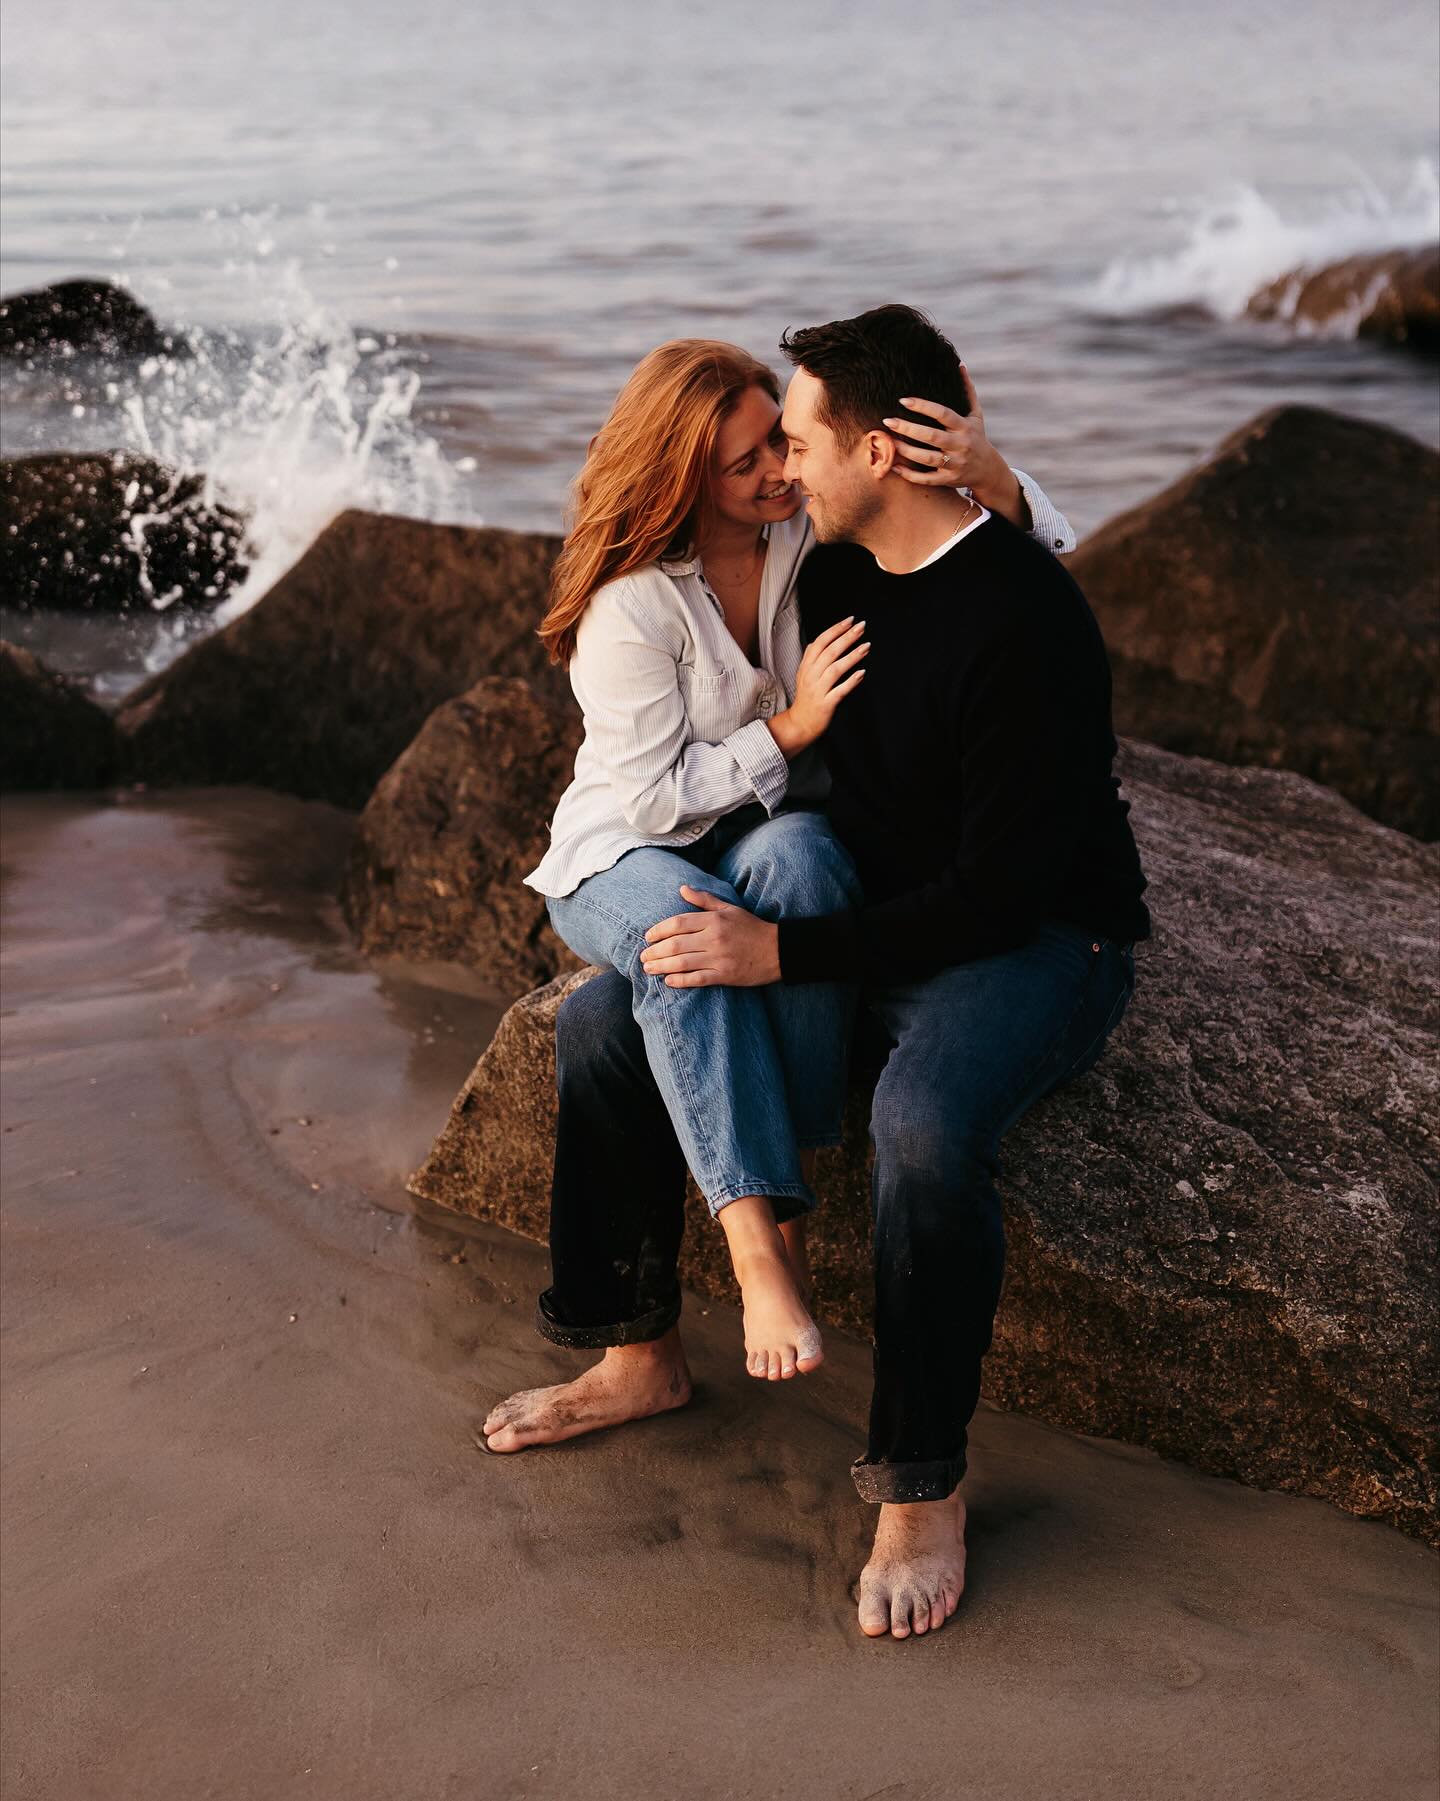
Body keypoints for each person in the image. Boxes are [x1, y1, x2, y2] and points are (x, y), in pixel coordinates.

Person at [494, 307, 1151, 1643]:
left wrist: (783, 949)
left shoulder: (1025, 621)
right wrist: (766, 924)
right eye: (770, 448)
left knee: (919, 1126)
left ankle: (921, 1482)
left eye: (795, 442)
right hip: (879, 914)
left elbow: (999, 894)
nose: (783, 466)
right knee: (613, 1019)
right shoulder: (833, 573)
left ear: (878, 450)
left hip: (1031, 944)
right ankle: (637, 1351)